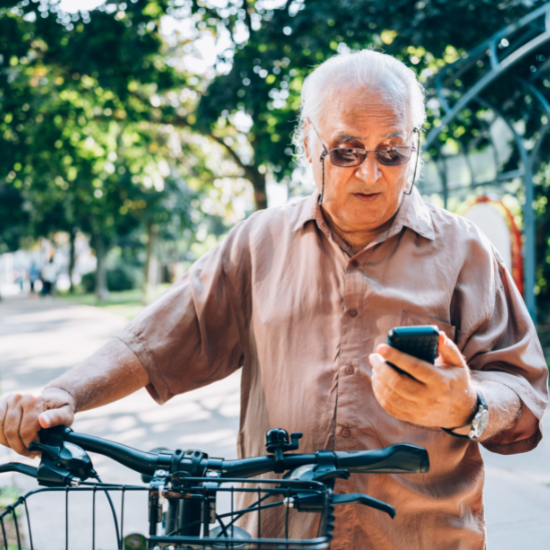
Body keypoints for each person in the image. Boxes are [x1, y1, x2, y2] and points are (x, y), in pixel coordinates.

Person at [0, 50, 547, 550]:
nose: (371, 172)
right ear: (309, 145)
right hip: (276, 536)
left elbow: (522, 391)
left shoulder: (466, 250)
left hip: (424, 540)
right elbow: (156, 341)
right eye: (347, 150)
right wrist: (62, 393)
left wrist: (467, 405)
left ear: (415, 149)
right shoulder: (257, 243)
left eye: (392, 151)